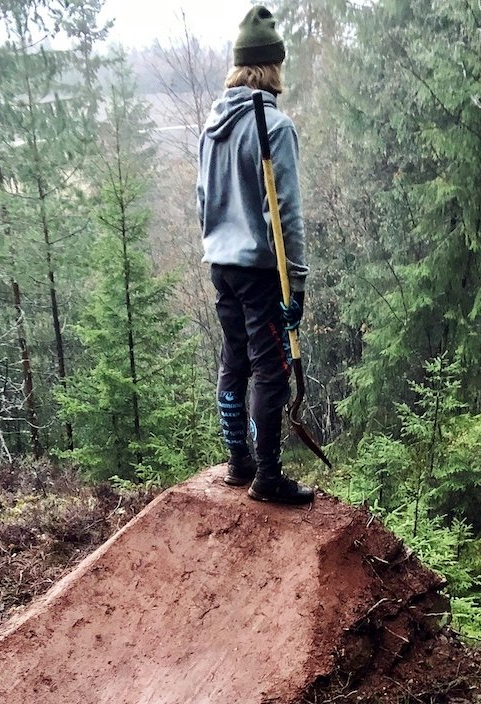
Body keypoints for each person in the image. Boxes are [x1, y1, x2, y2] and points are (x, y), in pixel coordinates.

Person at [196, 5, 314, 506]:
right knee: (272, 370)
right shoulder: (272, 126)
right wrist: (298, 282)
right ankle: (267, 476)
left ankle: (237, 462)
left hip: (220, 265)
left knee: (235, 358)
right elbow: (284, 214)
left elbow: (202, 198)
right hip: (262, 271)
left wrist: (216, 243)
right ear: (271, 66)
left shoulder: (212, 124)